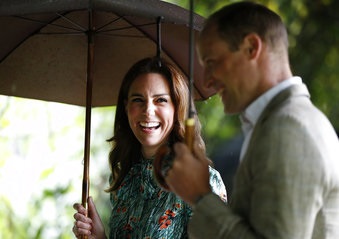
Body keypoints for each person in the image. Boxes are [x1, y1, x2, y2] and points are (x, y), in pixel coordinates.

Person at [163, 2, 339, 239]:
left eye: (212, 63)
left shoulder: (288, 129)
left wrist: (201, 196)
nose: (207, 82)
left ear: (251, 47)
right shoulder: (282, 123)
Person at [72, 57, 227, 239]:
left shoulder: (203, 183)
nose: (148, 110)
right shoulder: (125, 181)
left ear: (177, 107)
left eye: (160, 100)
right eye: (138, 100)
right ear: (126, 106)